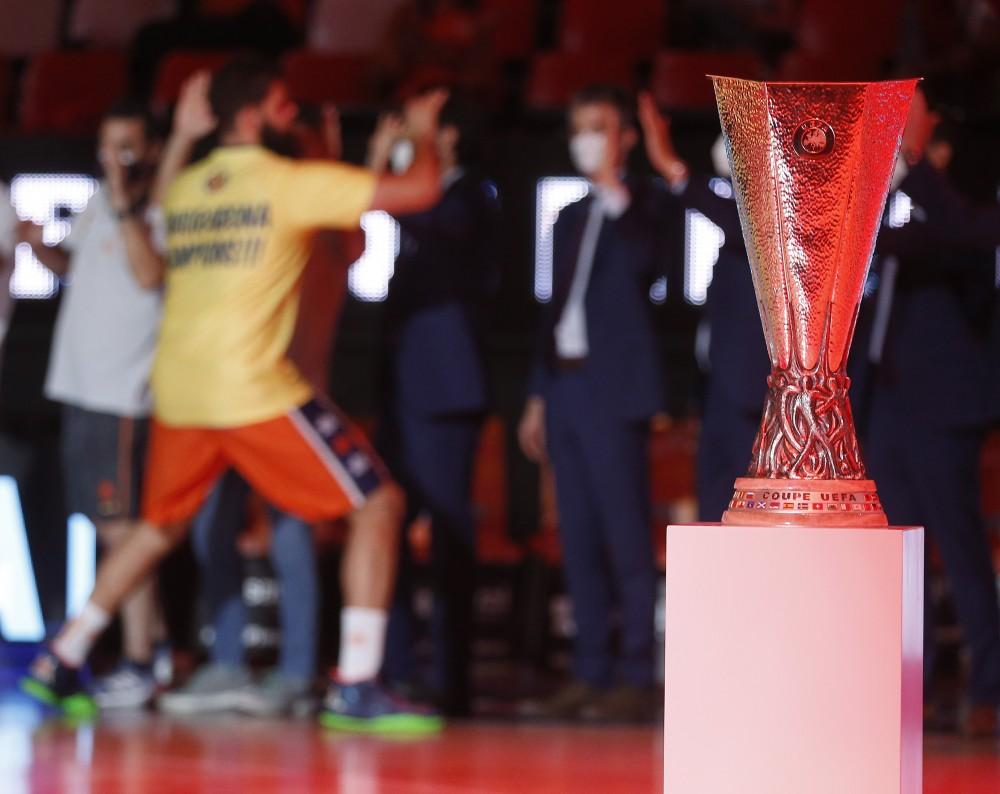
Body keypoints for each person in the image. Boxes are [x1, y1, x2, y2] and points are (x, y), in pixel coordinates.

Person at [21, 55, 447, 734]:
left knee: (158, 529)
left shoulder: (190, 188)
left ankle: (60, 658)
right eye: (282, 104)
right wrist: (421, 131)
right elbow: (420, 189)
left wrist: (185, 136)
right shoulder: (287, 183)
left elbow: (158, 205)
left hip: (180, 388)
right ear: (252, 115)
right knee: (379, 504)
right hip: (251, 387)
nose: (290, 115)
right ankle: (357, 683)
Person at [157, 102, 362, 719]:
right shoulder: (260, 210)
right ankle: (226, 663)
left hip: (285, 402)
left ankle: (296, 672)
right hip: (228, 396)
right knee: (210, 529)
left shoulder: (317, 218)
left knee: (291, 539)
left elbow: (352, 241)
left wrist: (330, 158)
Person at [516, 85, 687, 722]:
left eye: (599, 127)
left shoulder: (647, 207)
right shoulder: (567, 217)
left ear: (625, 139)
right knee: (578, 535)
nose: (586, 139)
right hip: (565, 387)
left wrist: (617, 190)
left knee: (624, 534)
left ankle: (636, 672)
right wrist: (537, 395)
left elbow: (650, 266)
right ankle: (589, 669)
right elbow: (552, 312)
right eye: (579, 128)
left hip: (614, 393)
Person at [16, 100, 169, 710]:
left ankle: (140, 658)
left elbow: (151, 275)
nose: (113, 159)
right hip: (80, 388)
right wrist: (39, 248)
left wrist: (128, 203)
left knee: (125, 532)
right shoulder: (100, 198)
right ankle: (150, 648)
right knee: (115, 534)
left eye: (125, 146)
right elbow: (74, 268)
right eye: (106, 147)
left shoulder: (161, 205)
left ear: (152, 148)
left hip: (121, 395)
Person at [859, 86, 1000, 737]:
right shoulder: (898, 224)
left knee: (960, 550)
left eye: (922, 151)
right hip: (886, 405)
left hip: (943, 410)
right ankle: (905, 689)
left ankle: (987, 688)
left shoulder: (965, 223)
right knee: (899, 557)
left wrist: (914, 166)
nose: (910, 161)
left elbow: (954, 234)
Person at [366, 93, 500, 716]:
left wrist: (406, 154)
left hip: (445, 392)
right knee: (385, 524)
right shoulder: (425, 196)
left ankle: (451, 682)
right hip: (401, 388)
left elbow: (427, 217)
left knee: (448, 536)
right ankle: (392, 671)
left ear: (449, 136)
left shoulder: (474, 194)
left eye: (426, 129)